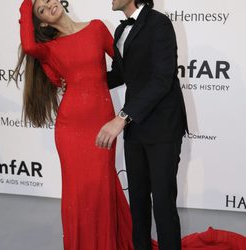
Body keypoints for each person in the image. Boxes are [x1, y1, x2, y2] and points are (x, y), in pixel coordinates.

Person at [14, 0, 136, 249]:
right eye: (41, 11)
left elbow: (125, 68)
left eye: (48, 1)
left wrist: (97, 83)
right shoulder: (49, 49)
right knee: (78, 194)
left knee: (102, 186)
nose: (48, 7)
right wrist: (27, 5)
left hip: (101, 121)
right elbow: (28, 45)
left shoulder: (96, 28)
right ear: (43, 22)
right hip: (70, 130)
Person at [96, 0, 188, 249]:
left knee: (162, 203)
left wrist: (122, 117)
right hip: (135, 126)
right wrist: (82, 82)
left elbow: (162, 79)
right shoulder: (120, 30)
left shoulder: (159, 23)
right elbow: (119, 74)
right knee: (137, 201)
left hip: (162, 126)